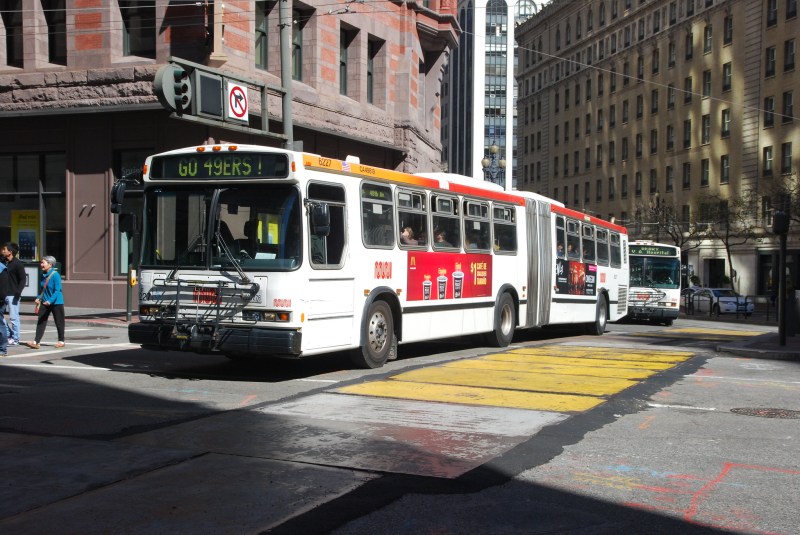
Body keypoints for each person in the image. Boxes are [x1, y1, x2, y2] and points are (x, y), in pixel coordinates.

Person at [25, 256, 65, 350]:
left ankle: (61, 341)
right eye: (41, 263)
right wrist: (38, 298)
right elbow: (42, 289)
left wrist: (50, 301)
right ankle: (36, 342)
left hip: (56, 302)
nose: (41, 265)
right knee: (41, 321)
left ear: (50, 264)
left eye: (43, 263)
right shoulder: (43, 274)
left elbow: (58, 290)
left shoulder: (55, 275)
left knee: (59, 322)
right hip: (44, 301)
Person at [2, 243, 26, 346]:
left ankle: (15, 339)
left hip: (13, 294)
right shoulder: (2, 262)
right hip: (2, 294)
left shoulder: (17, 264)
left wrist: (18, 291)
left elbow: (23, 279)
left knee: (13, 317)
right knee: (0, 316)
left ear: (10, 252)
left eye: (4, 249)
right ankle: (9, 334)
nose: (3, 251)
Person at [0, 261, 9, 357]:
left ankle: (2, 349)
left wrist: (1, 300)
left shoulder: (2, 269)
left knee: (0, 325)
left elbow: (3, 288)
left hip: (0, 300)